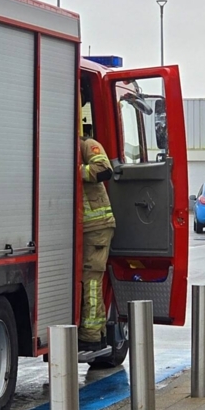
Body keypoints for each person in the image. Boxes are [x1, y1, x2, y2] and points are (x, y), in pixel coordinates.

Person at [78, 127, 116, 355]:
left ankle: (92, 336)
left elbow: (104, 170)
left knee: (91, 279)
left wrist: (76, 171)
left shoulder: (87, 145)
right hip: (83, 228)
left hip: (97, 227)